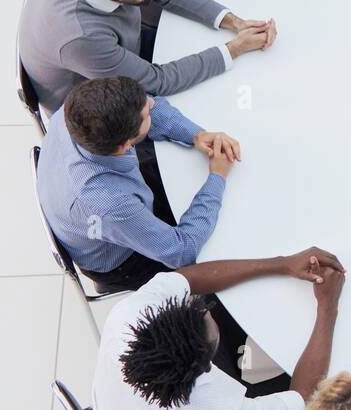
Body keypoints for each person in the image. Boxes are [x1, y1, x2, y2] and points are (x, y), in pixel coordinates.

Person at [90, 246, 347, 410]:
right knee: (312, 399)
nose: (203, 308)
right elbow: (302, 398)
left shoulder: (129, 316)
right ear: (205, 368)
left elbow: (188, 280)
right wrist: (327, 306)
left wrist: (283, 264)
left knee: (220, 298)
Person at [19, 0, 275, 115]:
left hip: (114, 50)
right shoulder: (80, 36)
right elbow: (158, 81)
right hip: (96, 104)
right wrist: (236, 48)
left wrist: (234, 22)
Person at [36, 76, 238, 293]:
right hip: (126, 264)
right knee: (224, 245)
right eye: (147, 114)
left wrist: (196, 134)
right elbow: (182, 251)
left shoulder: (78, 105)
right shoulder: (110, 203)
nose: (153, 104)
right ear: (125, 145)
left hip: (101, 209)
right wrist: (217, 176)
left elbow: (145, 103)